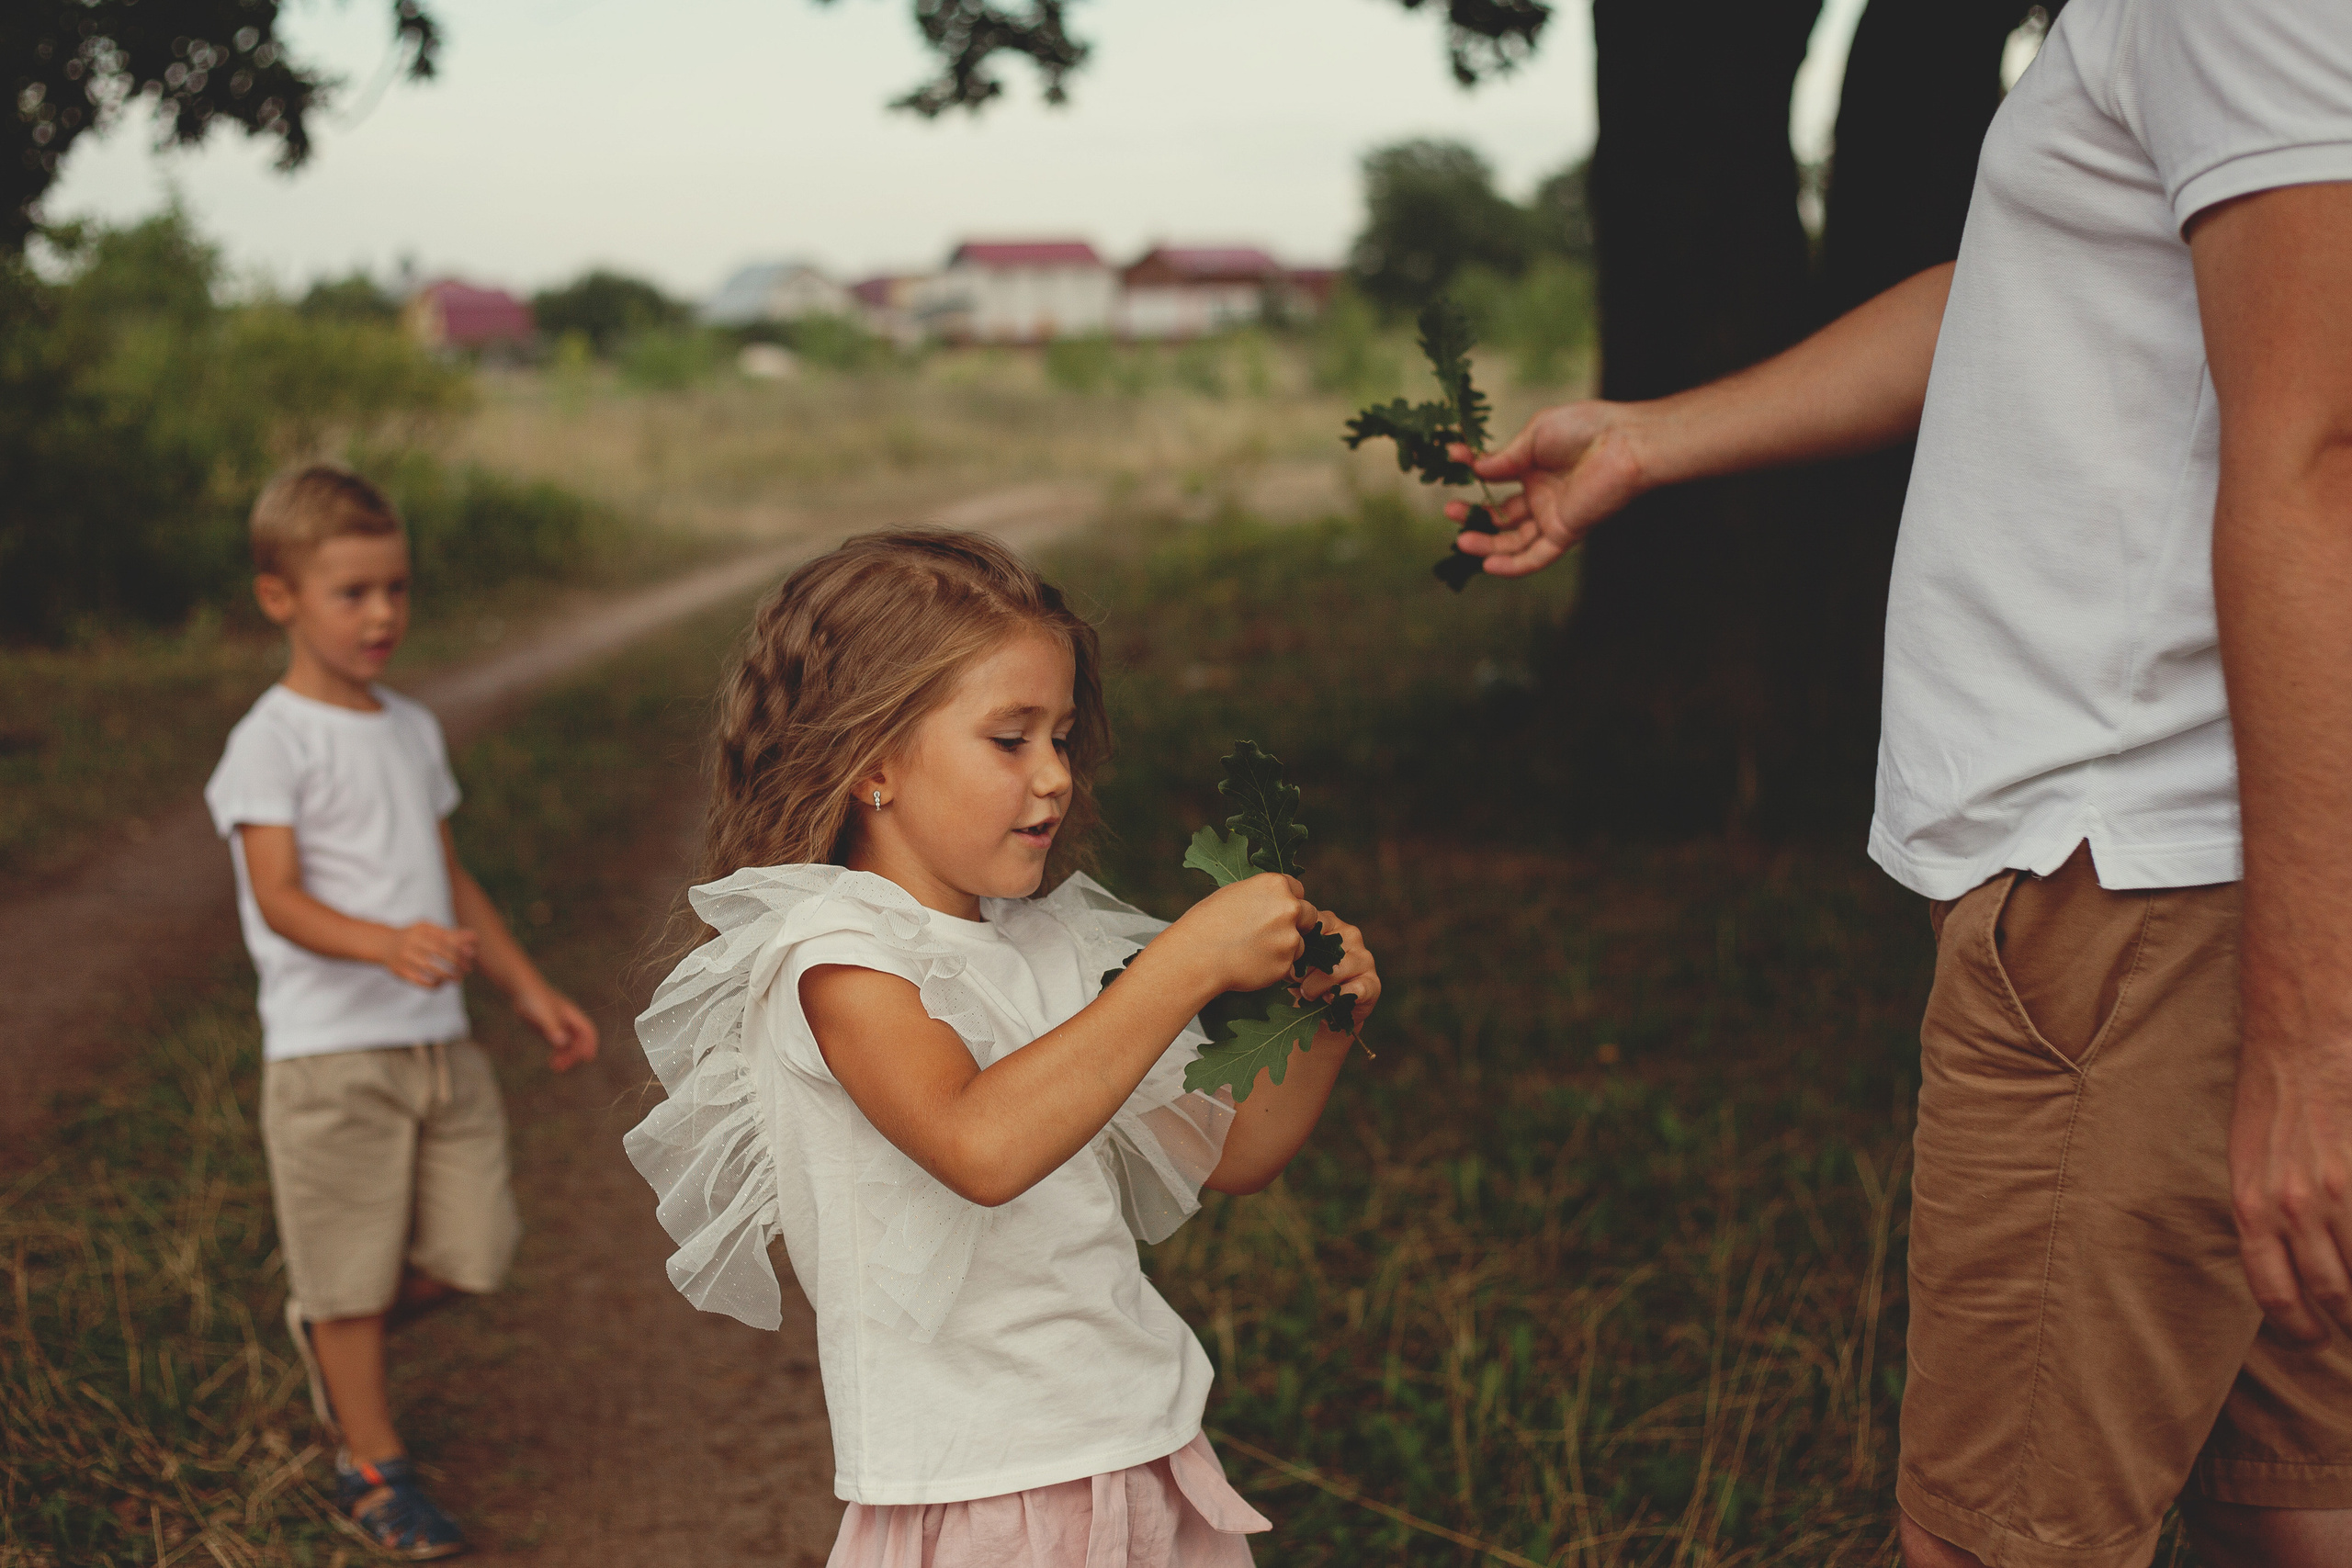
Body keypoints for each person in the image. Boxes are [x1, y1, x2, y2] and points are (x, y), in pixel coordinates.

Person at [1445, 3, 2352, 1564]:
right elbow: (2027, 297)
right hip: (2192, 873)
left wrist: (2307, 1045)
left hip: (2137, 883)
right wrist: (1657, 440)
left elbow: (2316, 456)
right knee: (2292, 1503)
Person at [625, 530, 1377, 1566]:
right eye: (1010, 739)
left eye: (1062, 738)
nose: (1056, 776)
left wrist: (1320, 1022)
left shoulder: (1052, 942)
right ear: (873, 762)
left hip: (1142, 1441)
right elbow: (978, 1145)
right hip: (984, 1487)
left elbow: (1233, 1152)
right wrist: (1187, 965)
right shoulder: (835, 959)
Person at [204, 466, 599, 1561]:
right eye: (352, 594)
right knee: (347, 1272)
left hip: (441, 1050)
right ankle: (372, 1468)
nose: (382, 615)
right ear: (280, 598)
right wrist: (384, 945)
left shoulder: (410, 729)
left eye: (397, 589)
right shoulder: (269, 743)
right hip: (330, 1059)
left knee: (477, 1249)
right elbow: (277, 897)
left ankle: (335, 1335)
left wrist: (526, 988)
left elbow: (446, 874)